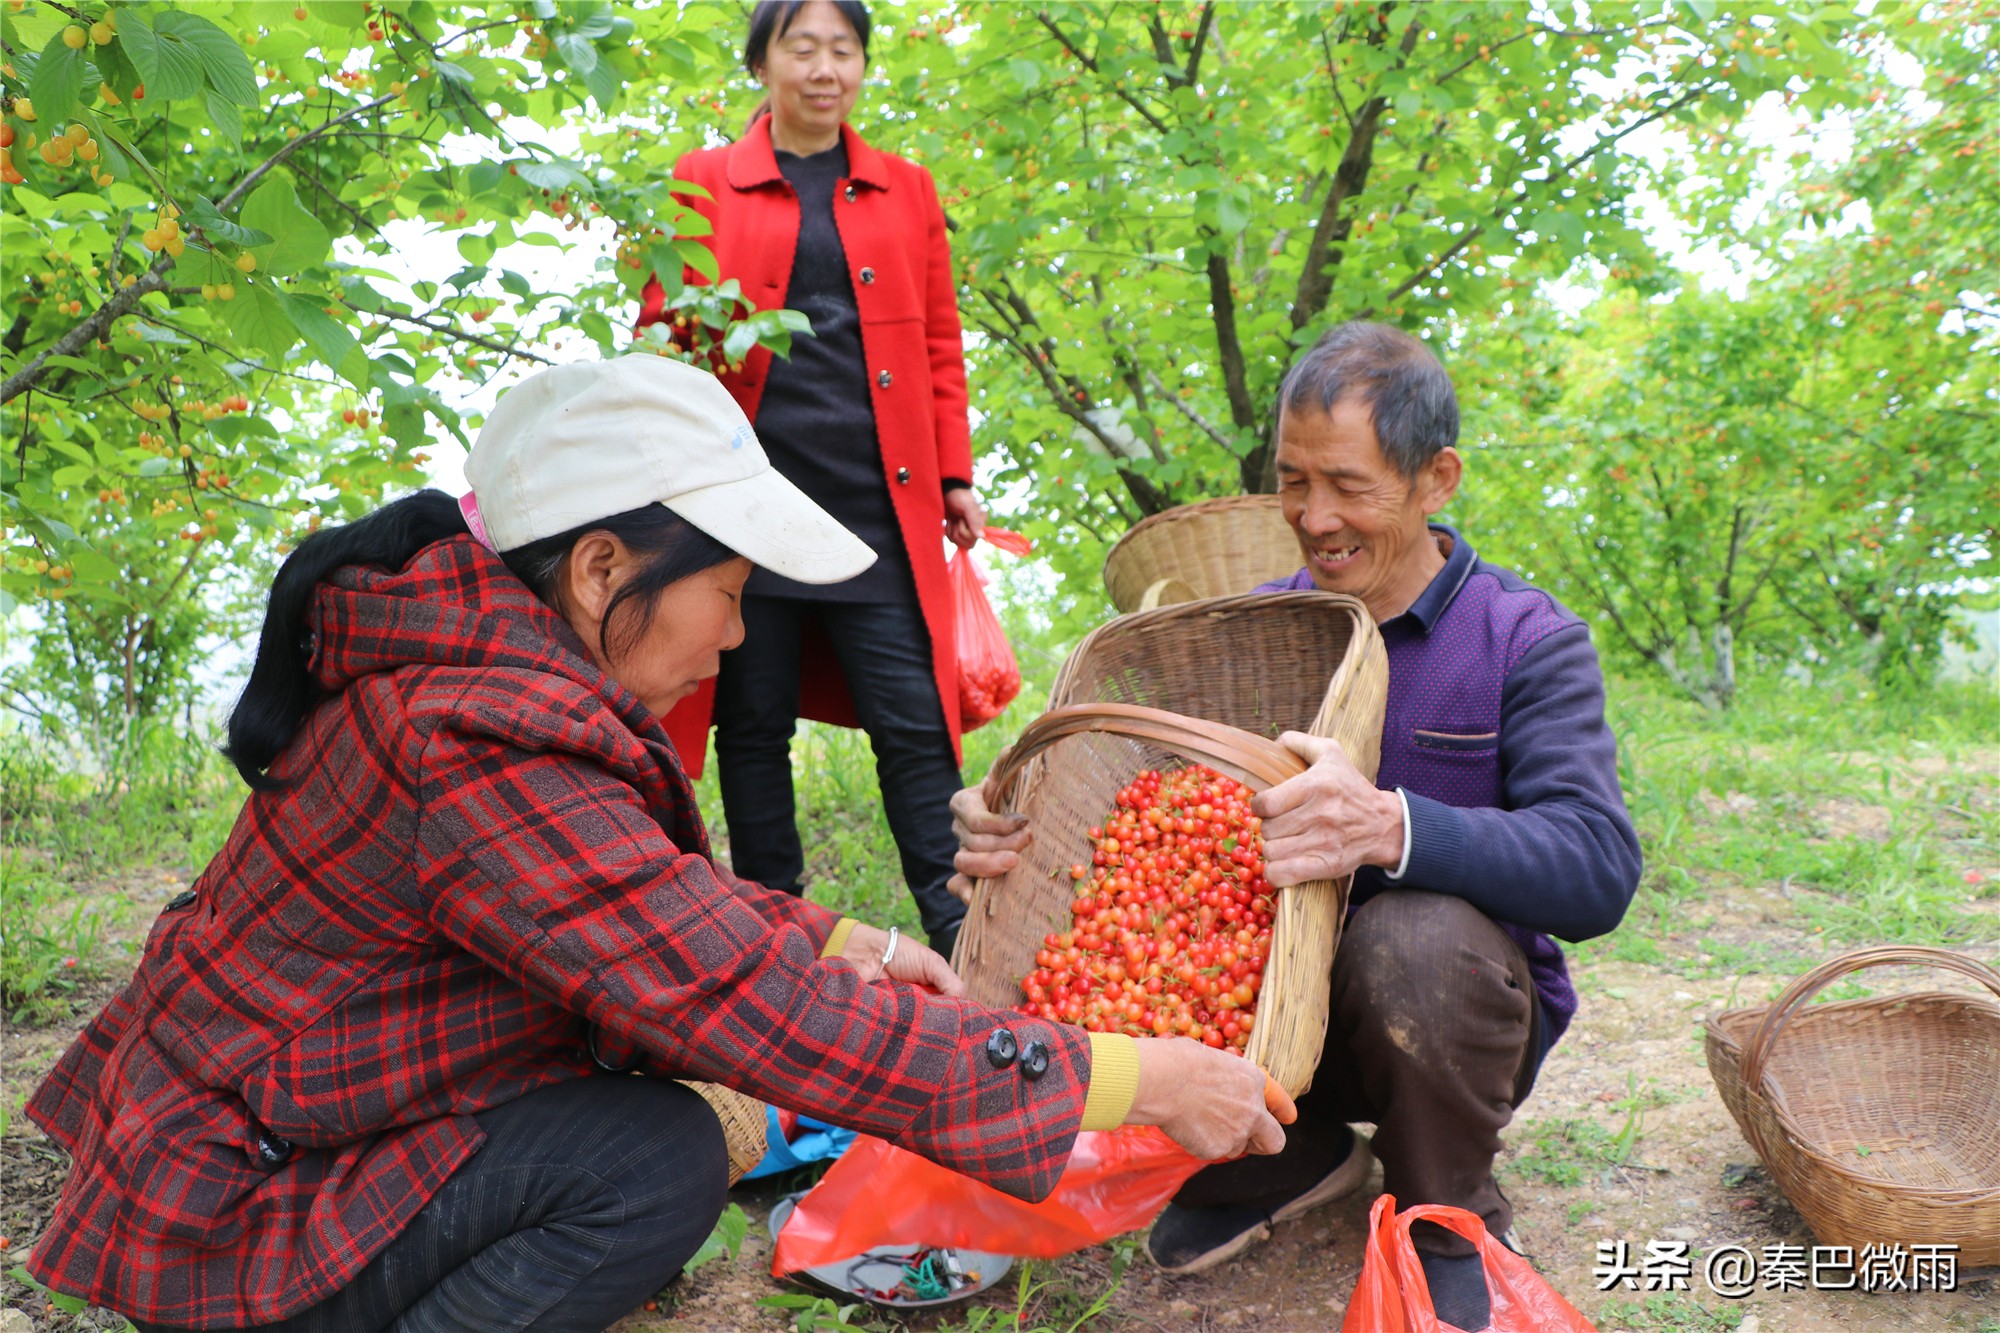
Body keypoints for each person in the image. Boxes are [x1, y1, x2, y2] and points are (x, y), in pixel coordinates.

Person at [23, 358, 1286, 1333]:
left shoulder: (481, 673)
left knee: (652, 1126)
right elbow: (741, 1006)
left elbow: (638, 903)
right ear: (598, 567)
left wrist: (847, 936)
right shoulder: (479, 739)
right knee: (652, 1162)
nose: (735, 636)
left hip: (267, 1137)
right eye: (727, 592)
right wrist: (1130, 1077)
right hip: (227, 1209)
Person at [949, 323, 1643, 1332]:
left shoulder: (1522, 640)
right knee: (1149, 935)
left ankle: (1444, 1208)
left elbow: (1596, 868)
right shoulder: (1255, 634)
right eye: (1291, 481)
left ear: (1433, 478)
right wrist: (1021, 824)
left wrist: (1389, 826)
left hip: (1446, 1016)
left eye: (1348, 486)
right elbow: (1161, 828)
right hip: (1269, 1014)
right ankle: (1294, 1149)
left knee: (1412, 934)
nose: (1313, 518)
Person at [634, 0, 978, 961]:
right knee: (752, 728)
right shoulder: (702, 182)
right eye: (803, 47)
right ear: (763, 63)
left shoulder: (906, 190)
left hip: (879, 506)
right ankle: (775, 941)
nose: (826, 68)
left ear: (861, 66)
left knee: (917, 731)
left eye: (844, 49)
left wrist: (953, 473)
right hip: (749, 510)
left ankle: (966, 939)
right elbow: (664, 333)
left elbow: (942, 343)